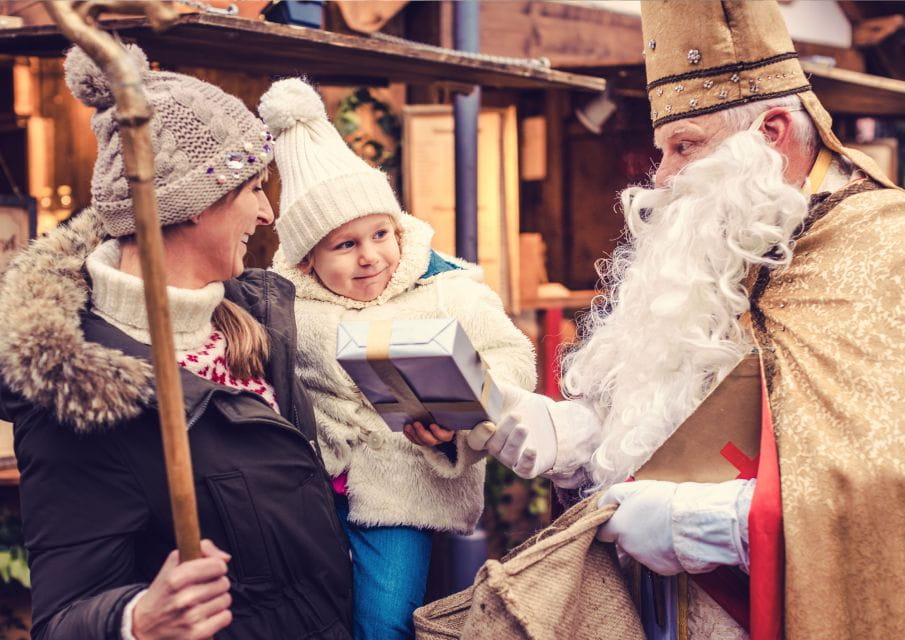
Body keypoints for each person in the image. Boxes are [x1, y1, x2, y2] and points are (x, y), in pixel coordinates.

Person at [475, 1, 905, 639]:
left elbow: (882, 484)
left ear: (773, 130)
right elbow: (681, 407)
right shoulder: (732, 237)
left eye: (686, 146)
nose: (666, 176)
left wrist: (718, 524)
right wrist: (577, 435)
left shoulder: (885, 248)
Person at [0, 46, 353, 639]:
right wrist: (136, 621)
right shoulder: (85, 391)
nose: (268, 213)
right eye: (253, 190)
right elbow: (62, 619)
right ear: (191, 205)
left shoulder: (252, 311)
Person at [258, 78, 537, 640]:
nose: (371, 257)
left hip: (402, 490)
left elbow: (512, 360)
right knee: (310, 618)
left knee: (383, 621)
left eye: (381, 233)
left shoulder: (448, 287)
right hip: (307, 491)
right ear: (308, 259)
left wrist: (456, 423)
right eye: (345, 245)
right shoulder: (285, 306)